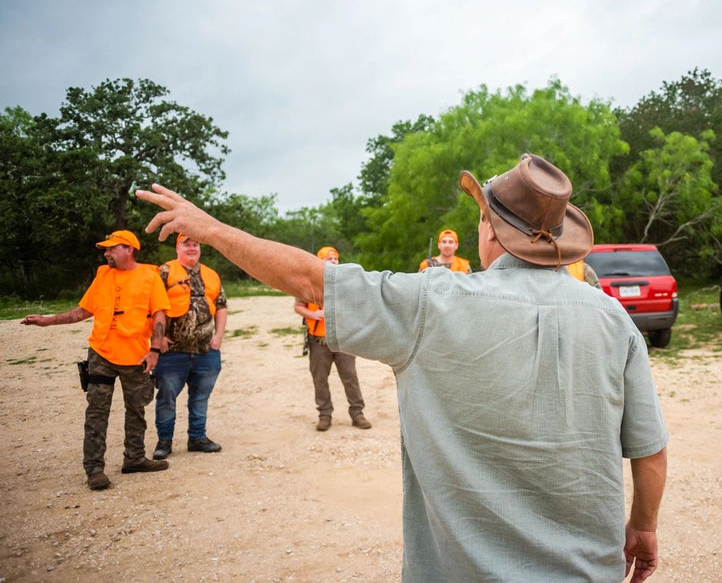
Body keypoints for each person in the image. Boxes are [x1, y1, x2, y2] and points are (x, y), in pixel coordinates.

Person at [138, 154, 668, 583]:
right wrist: (643, 527)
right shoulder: (613, 319)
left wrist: (212, 229)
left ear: (490, 229)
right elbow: (649, 449)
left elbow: (310, 279)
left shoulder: (432, 303)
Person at [21, 230, 171, 490]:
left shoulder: (150, 276)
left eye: (112, 248)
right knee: (96, 411)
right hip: (101, 354)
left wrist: (155, 350)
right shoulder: (103, 275)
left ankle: (134, 458)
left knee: (136, 409)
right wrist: (48, 321)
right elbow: (83, 311)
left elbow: (159, 315)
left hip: (136, 356)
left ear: (129, 249)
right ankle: (94, 469)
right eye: (106, 249)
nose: (106, 253)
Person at [152, 234, 228, 460]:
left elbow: (221, 306)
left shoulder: (211, 274)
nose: (192, 248)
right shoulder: (164, 271)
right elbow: (152, 307)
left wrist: (219, 335)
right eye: (187, 244)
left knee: (200, 397)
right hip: (172, 351)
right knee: (166, 397)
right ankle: (164, 442)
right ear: (178, 247)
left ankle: (197, 437)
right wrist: (157, 339)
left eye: (195, 244)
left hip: (206, 351)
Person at [293, 246, 372, 432]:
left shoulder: (346, 283)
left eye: (336, 259)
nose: (334, 262)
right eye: (329, 259)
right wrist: (314, 315)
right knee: (320, 379)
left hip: (343, 340)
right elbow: (298, 306)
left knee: (350, 377)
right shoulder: (308, 284)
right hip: (318, 341)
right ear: (319, 262)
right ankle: (324, 415)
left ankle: (357, 414)